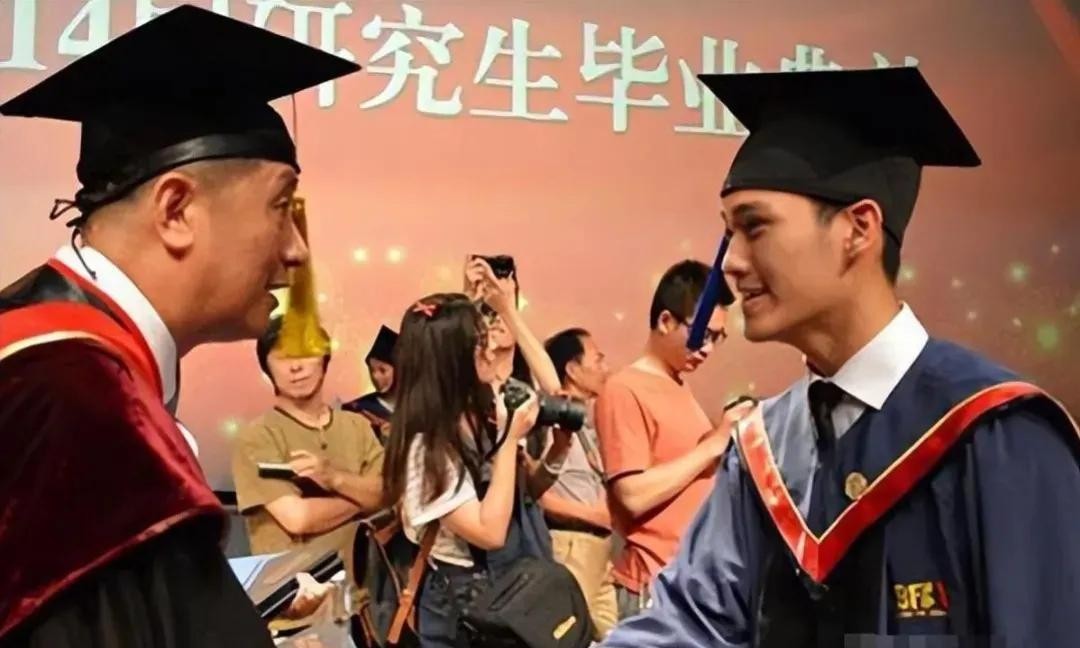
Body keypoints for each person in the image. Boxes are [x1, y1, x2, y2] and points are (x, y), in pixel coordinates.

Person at [602, 68, 1080, 647]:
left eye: (755, 226)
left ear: (858, 228)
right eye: (729, 233)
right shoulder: (762, 451)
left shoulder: (999, 435)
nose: (730, 263)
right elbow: (688, 628)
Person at [0, 6, 359, 646]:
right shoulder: (86, 412)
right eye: (281, 206)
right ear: (175, 210)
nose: (297, 250)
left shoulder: (37, 353)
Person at [381, 294, 541, 647]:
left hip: (505, 585)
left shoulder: (476, 415)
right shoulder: (425, 449)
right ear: (452, 361)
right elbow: (489, 532)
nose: (491, 350)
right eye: (480, 342)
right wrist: (510, 439)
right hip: (461, 603)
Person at [594, 259, 735, 617]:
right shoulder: (624, 388)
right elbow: (632, 495)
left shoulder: (677, 386)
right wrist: (713, 445)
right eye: (703, 334)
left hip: (691, 582)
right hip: (655, 587)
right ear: (666, 321)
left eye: (718, 338)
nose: (708, 349)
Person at [232, 316, 385, 632]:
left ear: (324, 359)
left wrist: (334, 479)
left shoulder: (357, 426)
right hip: (295, 616)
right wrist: (362, 498)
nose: (296, 367)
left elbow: (387, 493)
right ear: (267, 368)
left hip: (365, 607)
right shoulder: (257, 437)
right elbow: (299, 518)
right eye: (283, 357)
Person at [539, 328, 618, 639]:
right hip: (570, 545)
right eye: (598, 360)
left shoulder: (590, 422)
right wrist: (593, 515)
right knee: (566, 636)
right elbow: (537, 494)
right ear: (572, 369)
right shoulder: (551, 418)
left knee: (615, 638)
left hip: (600, 549)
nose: (606, 369)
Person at [343, 325, 398, 443]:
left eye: (382, 370)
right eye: (371, 370)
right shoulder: (357, 409)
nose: (375, 376)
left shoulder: (419, 409)